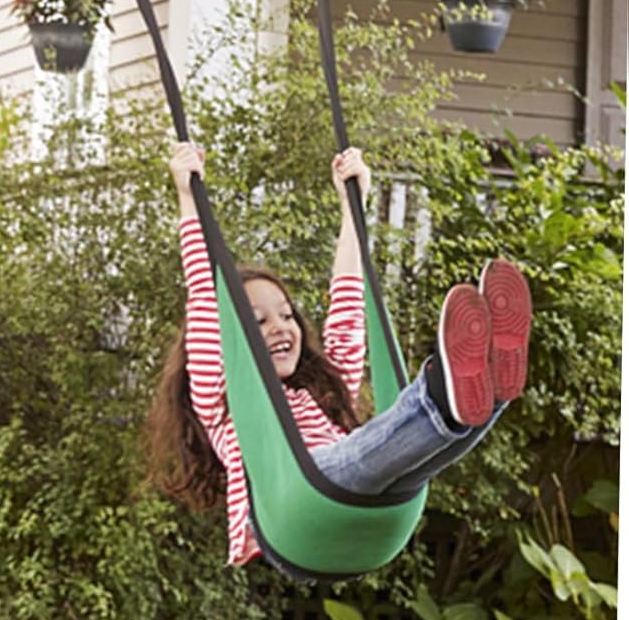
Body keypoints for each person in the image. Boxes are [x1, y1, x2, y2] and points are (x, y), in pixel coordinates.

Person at [148, 141, 532, 567]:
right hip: (297, 513)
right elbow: (204, 297)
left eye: (287, 315)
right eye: (258, 321)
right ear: (230, 342)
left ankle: (493, 388)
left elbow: (348, 308)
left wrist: (354, 206)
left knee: (416, 456)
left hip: (375, 510)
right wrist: (188, 197)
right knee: (356, 453)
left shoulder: (323, 393)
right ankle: (442, 388)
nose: (280, 327)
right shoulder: (221, 398)